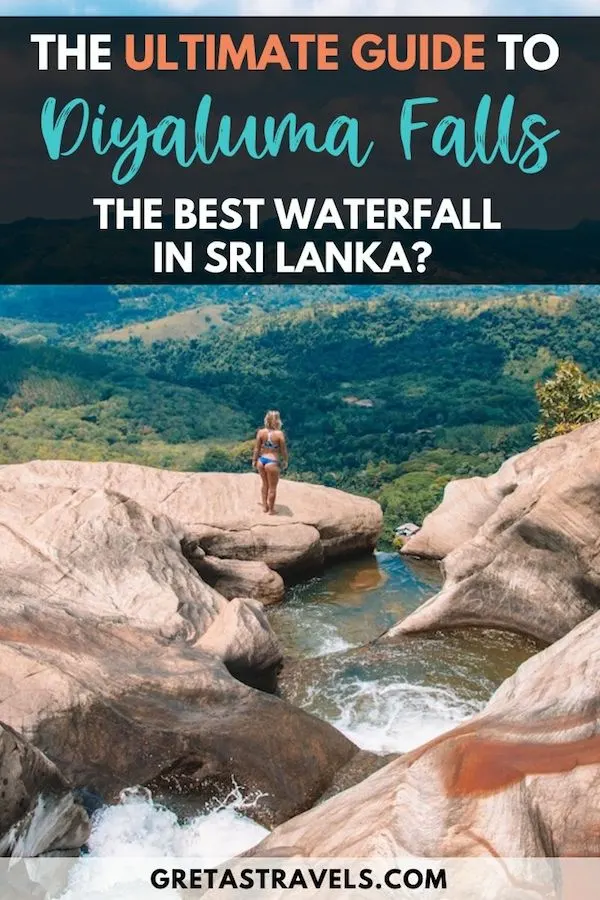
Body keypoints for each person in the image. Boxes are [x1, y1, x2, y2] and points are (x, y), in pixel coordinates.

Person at [252, 410, 288, 514]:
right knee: (272, 487)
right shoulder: (279, 434)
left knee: (264, 484)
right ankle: (271, 510)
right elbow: (283, 450)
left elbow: (256, 449)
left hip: (261, 461)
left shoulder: (261, 432)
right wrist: (285, 460)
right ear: (277, 421)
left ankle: (264, 506)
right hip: (272, 461)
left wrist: (254, 460)